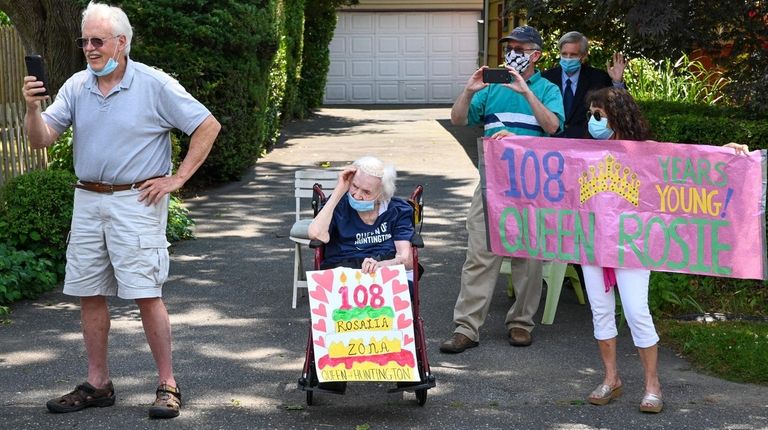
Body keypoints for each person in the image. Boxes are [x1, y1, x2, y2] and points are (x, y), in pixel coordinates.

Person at [22, 1, 221, 419]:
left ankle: (167, 384)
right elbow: (41, 140)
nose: (90, 48)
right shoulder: (78, 86)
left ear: (122, 42)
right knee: (89, 293)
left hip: (137, 200)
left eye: (98, 41)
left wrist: (178, 178)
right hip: (88, 199)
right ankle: (98, 384)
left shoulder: (153, 84)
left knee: (146, 293)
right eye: (85, 41)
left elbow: (207, 124)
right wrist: (32, 109)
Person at [580, 87, 748, 414]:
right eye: (589, 115)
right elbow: (549, 159)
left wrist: (723, 152)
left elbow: (685, 159)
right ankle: (611, 378)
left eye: (597, 114)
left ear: (616, 116)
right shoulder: (584, 152)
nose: (592, 121)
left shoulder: (646, 152)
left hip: (633, 245)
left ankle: (652, 384)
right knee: (600, 311)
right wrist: (508, 143)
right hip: (593, 244)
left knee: (635, 310)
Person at [440, 25, 564, 353]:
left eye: (521, 48)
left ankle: (521, 323)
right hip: (492, 185)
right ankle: (466, 328)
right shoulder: (490, 89)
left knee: (529, 258)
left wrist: (525, 92)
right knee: (480, 254)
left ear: (535, 55)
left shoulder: (548, 89)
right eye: (510, 47)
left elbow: (552, 126)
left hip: (532, 188)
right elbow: (457, 119)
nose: (513, 53)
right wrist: (468, 91)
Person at [307, 156, 415, 394]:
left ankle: (404, 371)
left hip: (383, 270)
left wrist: (382, 265)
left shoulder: (398, 210)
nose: (357, 195)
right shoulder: (341, 206)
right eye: (354, 187)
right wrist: (339, 191)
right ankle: (333, 376)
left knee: (403, 291)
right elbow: (315, 233)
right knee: (332, 295)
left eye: (366, 191)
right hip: (343, 270)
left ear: (382, 194)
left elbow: (405, 257)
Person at [542, 31, 626, 138]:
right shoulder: (546, 78)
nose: (568, 58)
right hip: (551, 143)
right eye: (564, 54)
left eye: (573, 55)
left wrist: (617, 82)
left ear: (584, 56)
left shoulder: (599, 78)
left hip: (586, 143)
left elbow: (621, 110)